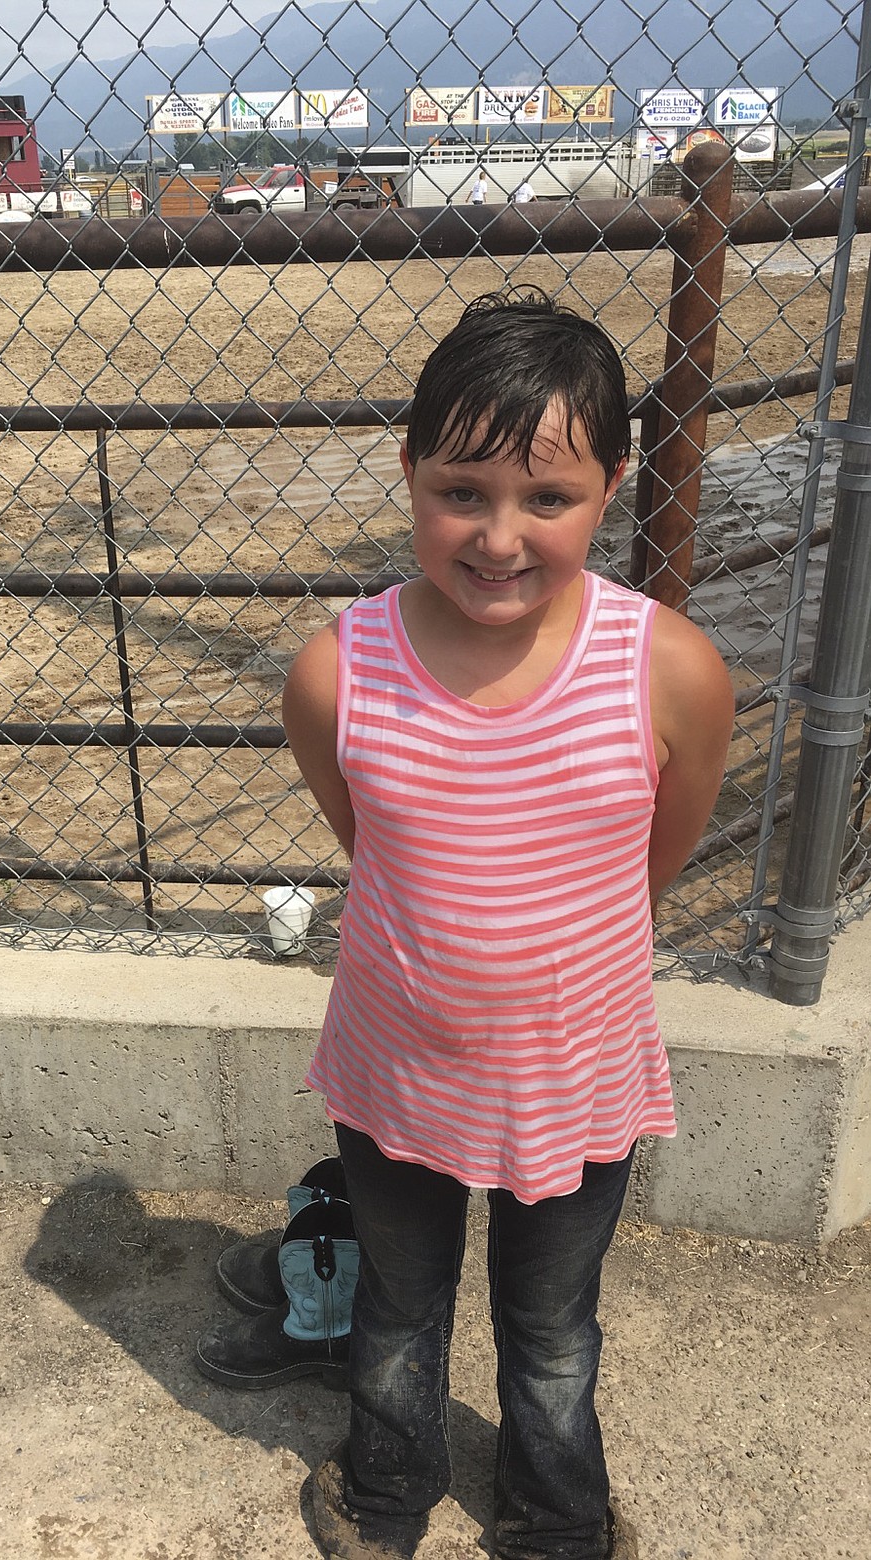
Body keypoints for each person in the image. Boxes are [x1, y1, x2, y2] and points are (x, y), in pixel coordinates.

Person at [196, 290, 734, 1560]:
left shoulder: (669, 669)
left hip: (579, 1070)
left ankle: (559, 1513)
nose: (499, 537)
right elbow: (372, 838)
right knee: (397, 1302)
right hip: (396, 1068)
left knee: (553, 1325)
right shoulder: (340, 667)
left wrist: (555, 941)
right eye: (461, 491)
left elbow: (657, 851)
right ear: (409, 475)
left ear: (612, 484)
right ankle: (389, 1488)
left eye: (548, 499)